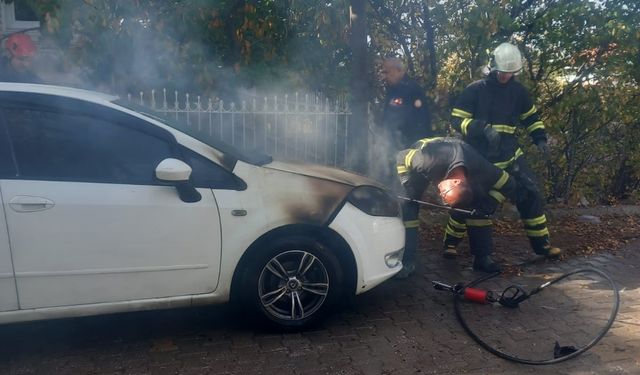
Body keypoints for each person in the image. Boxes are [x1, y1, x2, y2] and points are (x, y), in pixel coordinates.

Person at [447, 42, 561, 260]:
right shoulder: (475, 90)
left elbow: (531, 118)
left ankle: (542, 246)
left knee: (530, 193)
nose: (505, 77)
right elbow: (456, 120)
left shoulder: (519, 92)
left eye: (510, 73)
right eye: (502, 72)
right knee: (469, 200)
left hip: (509, 156)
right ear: (492, 67)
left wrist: (540, 138)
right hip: (478, 157)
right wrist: (481, 128)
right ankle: (451, 242)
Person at [396, 137, 519, 273]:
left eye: (444, 195)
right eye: (445, 194)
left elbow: (510, 184)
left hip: (457, 167)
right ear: (456, 182)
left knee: (480, 206)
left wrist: (489, 204)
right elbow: (401, 156)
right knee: (409, 206)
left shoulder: (483, 170)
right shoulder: (429, 160)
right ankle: (406, 260)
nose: (440, 195)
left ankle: (482, 258)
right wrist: (406, 182)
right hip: (416, 167)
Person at [379, 57, 432, 278]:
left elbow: (419, 129)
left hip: (410, 161)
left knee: (408, 207)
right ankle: (394, 253)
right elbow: (388, 125)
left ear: (400, 71)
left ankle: (408, 261)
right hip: (395, 157)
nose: (384, 76)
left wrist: (408, 155)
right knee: (396, 207)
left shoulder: (412, 92)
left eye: (387, 72)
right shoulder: (393, 92)